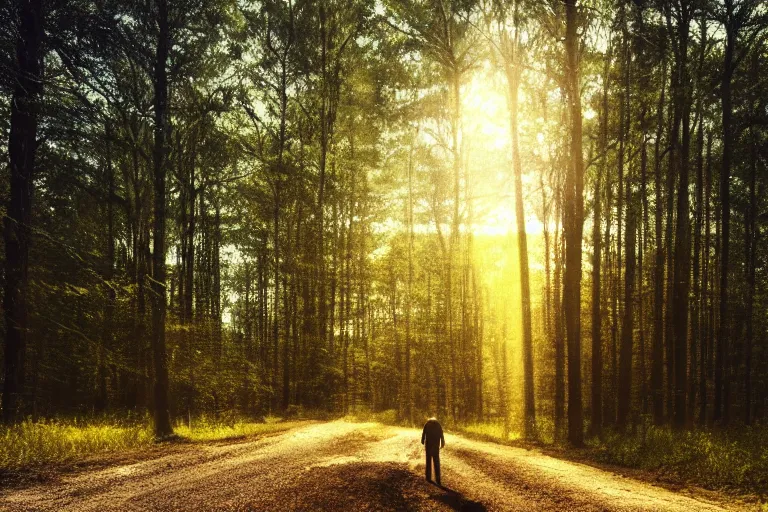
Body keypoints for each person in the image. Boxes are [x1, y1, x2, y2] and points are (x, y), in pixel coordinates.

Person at [421, 417, 445, 486]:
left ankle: (428, 477)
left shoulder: (427, 424)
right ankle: (438, 479)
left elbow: (423, 433)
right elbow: (441, 434)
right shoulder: (438, 424)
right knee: (436, 462)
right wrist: (442, 443)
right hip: (435, 446)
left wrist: (422, 440)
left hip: (428, 445)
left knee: (428, 461)